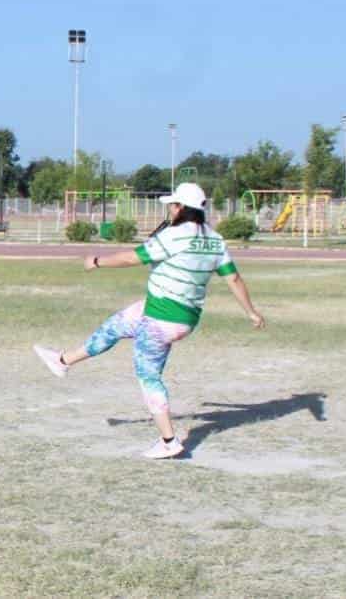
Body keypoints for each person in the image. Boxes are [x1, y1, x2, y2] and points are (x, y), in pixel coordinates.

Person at [32, 182, 265, 459]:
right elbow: (233, 278)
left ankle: (169, 441)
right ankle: (62, 361)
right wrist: (251, 311)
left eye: (172, 204)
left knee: (148, 376)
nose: (169, 208)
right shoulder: (215, 240)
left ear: (181, 208)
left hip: (161, 319)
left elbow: (134, 257)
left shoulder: (174, 235)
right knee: (116, 325)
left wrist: (96, 261)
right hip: (181, 315)